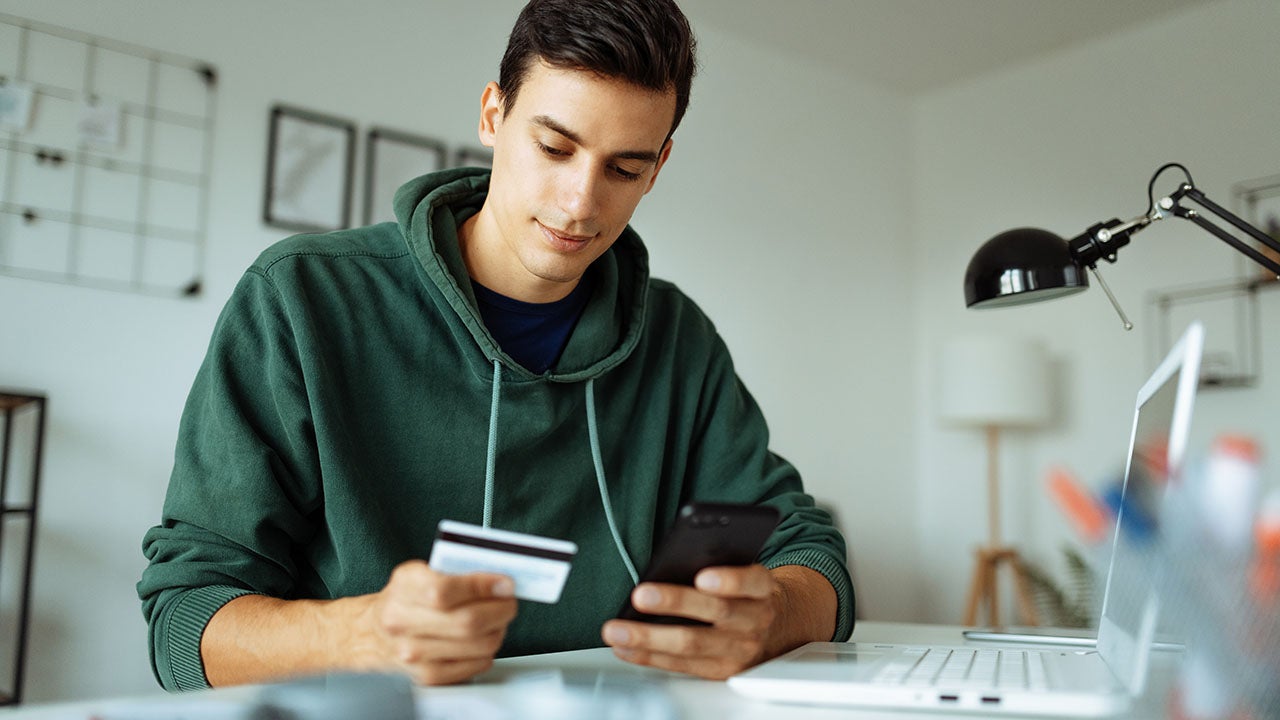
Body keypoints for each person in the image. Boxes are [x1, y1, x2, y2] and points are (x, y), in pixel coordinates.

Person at [138, 0, 854, 691]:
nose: (580, 202)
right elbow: (185, 618)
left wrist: (775, 614)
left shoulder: (679, 341)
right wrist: (355, 636)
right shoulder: (300, 300)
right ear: (492, 114)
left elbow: (812, 553)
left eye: (624, 169)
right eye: (554, 147)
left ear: (659, 166)